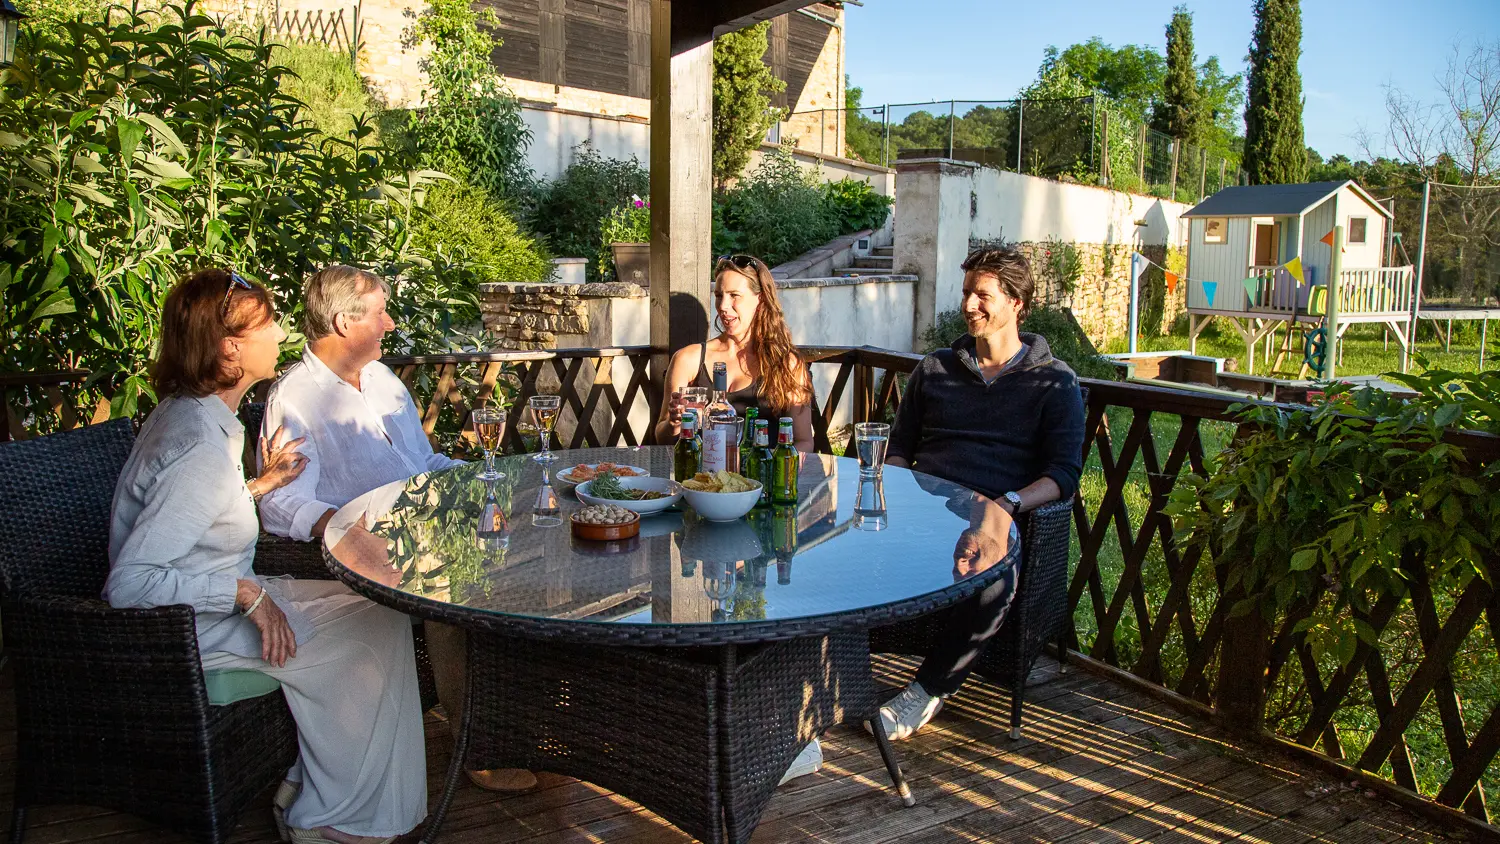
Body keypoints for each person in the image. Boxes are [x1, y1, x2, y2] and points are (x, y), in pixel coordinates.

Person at [104, 268, 426, 844]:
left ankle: (314, 786)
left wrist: (258, 486)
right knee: (365, 634)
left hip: (216, 604)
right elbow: (129, 585)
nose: (281, 335)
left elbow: (196, 509)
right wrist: (245, 594)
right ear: (231, 347)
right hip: (190, 630)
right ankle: (327, 821)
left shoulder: (198, 414)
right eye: (268, 325)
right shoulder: (198, 444)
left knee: (380, 609)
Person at [257, 265, 537, 794]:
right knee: (463, 592)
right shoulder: (296, 399)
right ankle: (477, 743)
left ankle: (523, 724)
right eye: (381, 312)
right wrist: (343, 530)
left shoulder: (383, 381)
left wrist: (485, 478)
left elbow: (421, 462)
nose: (390, 323)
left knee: (534, 539)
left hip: (427, 529)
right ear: (345, 321)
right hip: (360, 558)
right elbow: (278, 502)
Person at [877, 245, 1085, 741]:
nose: (969, 304)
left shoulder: (1054, 383)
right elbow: (899, 451)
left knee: (991, 567)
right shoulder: (936, 369)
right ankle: (820, 685)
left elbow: (1064, 475)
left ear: (1018, 303)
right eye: (967, 291)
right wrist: (901, 497)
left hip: (996, 513)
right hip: (923, 508)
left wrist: (1008, 504)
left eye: (982, 295)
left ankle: (925, 693)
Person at [653, 254, 816, 451]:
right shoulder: (688, 359)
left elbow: (803, 441)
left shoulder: (786, 363)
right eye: (719, 296)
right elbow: (661, 438)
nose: (723, 306)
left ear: (761, 298)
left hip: (762, 477)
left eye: (734, 296)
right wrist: (674, 423)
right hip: (702, 479)